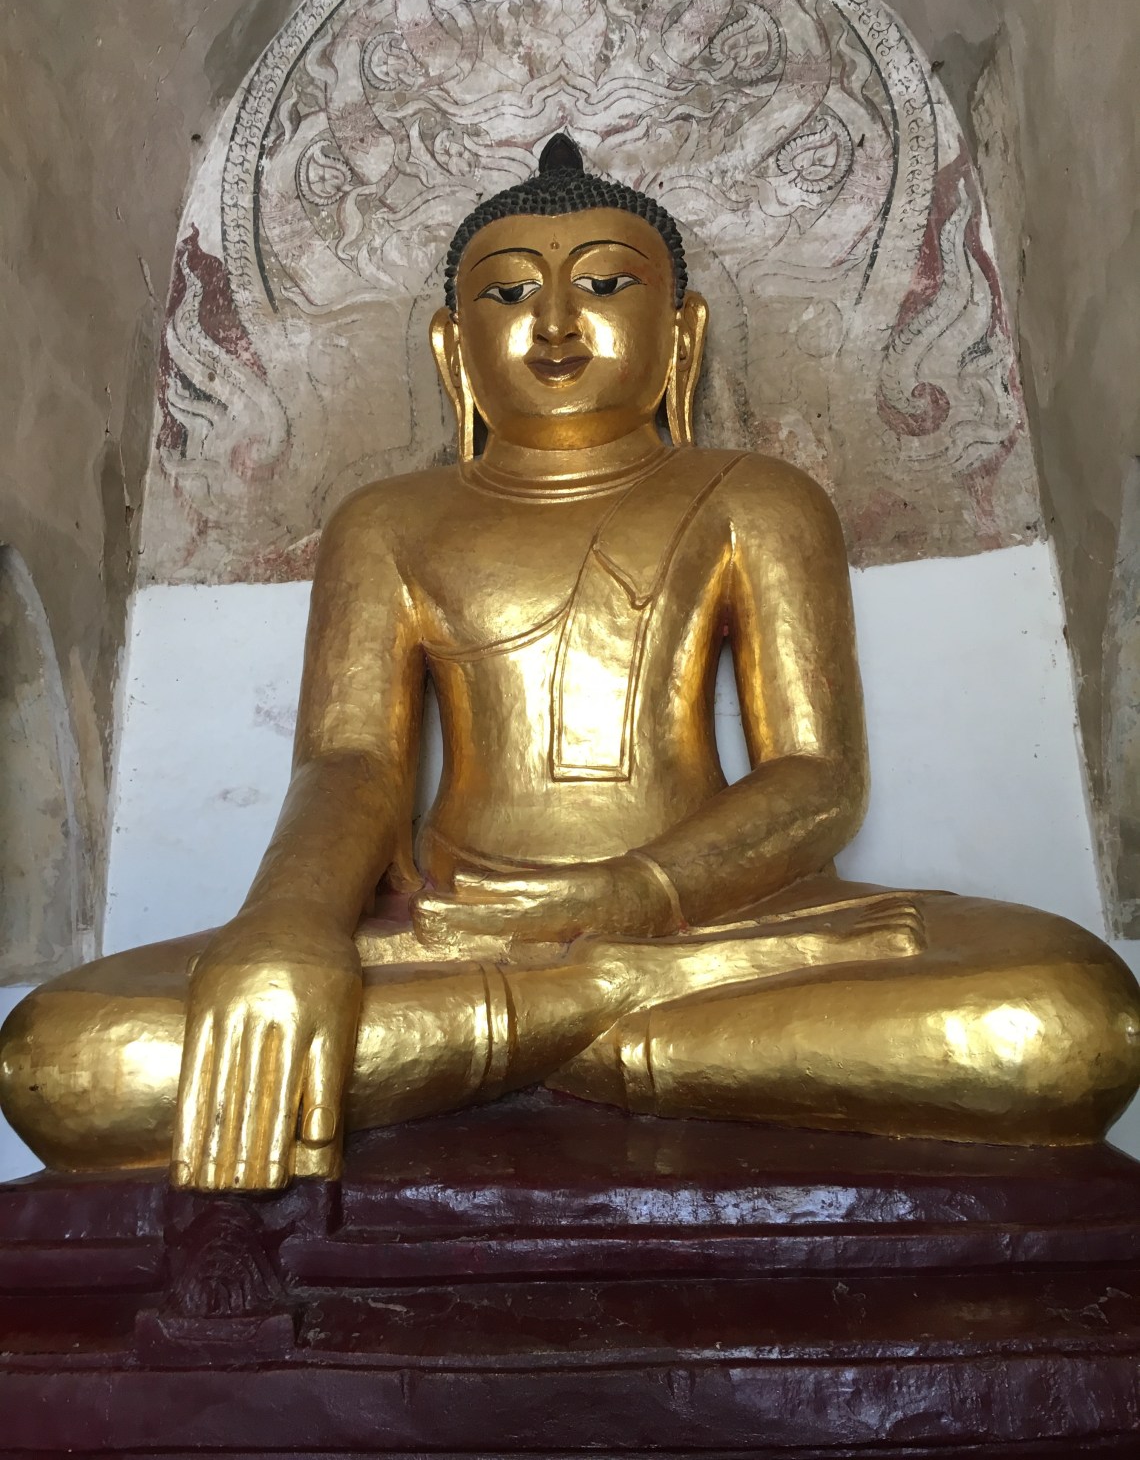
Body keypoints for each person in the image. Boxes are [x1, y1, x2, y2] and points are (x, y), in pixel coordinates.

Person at [3, 136, 1138, 1192]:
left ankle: (546, 1021)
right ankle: (603, 1013)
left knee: (1066, 1017)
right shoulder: (388, 521)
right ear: (452, 346)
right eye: (506, 292)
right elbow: (352, 761)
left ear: (682, 334)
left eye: (602, 285)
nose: (553, 325)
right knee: (69, 1055)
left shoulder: (758, 501)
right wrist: (289, 930)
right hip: (449, 931)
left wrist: (627, 899)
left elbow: (814, 776)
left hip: (715, 927)